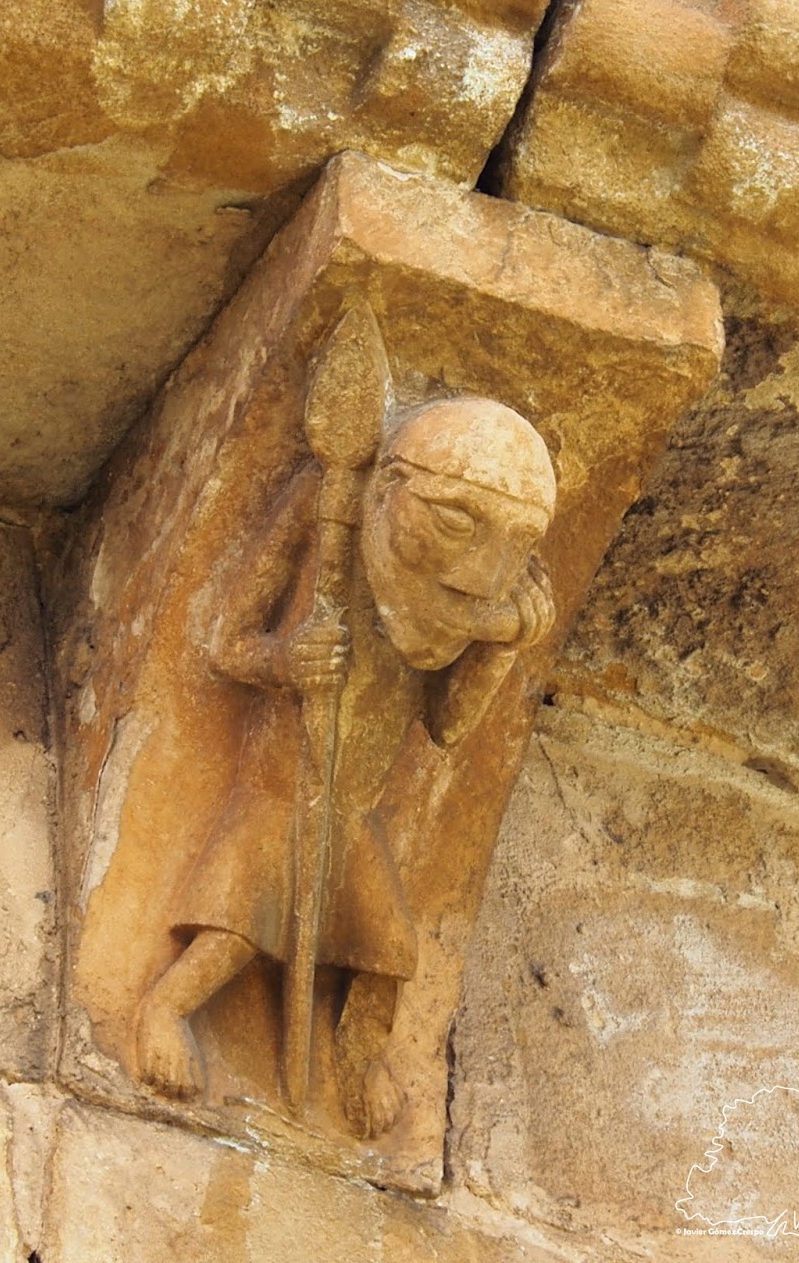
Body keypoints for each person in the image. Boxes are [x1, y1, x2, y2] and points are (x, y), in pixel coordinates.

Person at [135, 395, 556, 1129]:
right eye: (455, 522)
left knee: (385, 949)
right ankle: (163, 1010)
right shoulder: (325, 503)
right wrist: (286, 661)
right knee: (238, 924)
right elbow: (229, 642)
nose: (483, 575)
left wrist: (500, 646)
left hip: (355, 809)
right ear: (389, 488)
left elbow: (449, 726)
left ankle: (360, 1056)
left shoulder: (447, 617)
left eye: (517, 544)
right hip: (281, 789)